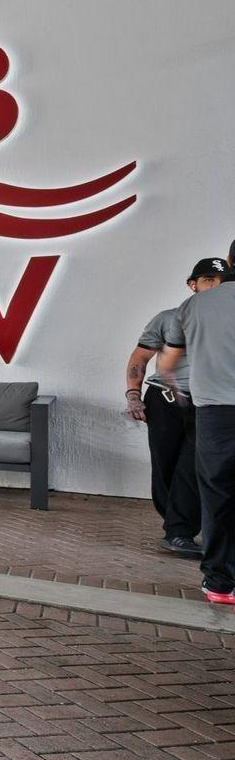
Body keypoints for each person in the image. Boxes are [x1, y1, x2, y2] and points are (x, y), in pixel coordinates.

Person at [128, 262, 225, 557]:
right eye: (208, 279)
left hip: (207, 403)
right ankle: (175, 523)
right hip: (163, 401)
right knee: (165, 467)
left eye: (221, 280)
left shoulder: (227, 321)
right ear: (192, 284)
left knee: (192, 467)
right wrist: (133, 394)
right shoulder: (169, 317)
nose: (214, 285)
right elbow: (140, 358)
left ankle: (180, 531)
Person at [158, 257, 235, 604]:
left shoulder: (193, 306)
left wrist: (178, 393)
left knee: (217, 493)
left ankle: (220, 583)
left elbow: (167, 364)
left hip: (215, 411)